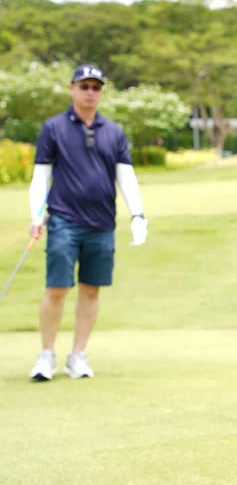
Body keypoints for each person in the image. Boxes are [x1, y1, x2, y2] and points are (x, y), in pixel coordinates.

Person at [26, 64, 149, 381]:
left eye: (96, 87)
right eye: (84, 86)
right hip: (64, 220)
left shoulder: (114, 131)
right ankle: (46, 355)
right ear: (72, 89)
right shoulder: (53, 128)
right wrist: (36, 215)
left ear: (101, 91)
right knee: (56, 288)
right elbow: (41, 176)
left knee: (91, 290)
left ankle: (77, 356)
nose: (90, 92)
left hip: (102, 223)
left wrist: (138, 214)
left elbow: (126, 177)